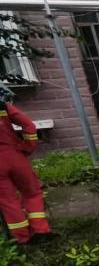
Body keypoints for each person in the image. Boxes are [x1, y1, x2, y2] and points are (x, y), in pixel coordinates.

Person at [0, 84, 52, 245]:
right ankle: (40, 229)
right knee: (32, 193)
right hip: (15, 156)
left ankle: (22, 238)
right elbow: (29, 125)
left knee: (8, 201)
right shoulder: (4, 107)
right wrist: (27, 147)